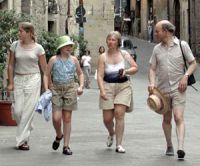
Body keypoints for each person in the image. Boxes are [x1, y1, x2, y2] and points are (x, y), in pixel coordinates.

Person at [148, 20, 197, 159]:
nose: (155, 34)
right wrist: (152, 83)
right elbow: (152, 68)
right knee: (167, 118)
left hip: (178, 88)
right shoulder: (156, 49)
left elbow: (193, 63)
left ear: (166, 31)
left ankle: (180, 147)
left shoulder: (182, 45)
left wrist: (186, 76)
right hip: (162, 90)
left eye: (157, 31)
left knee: (178, 117)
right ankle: (169, 144)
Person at [7, 22, 48, 150]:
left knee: (28, 110)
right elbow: (11, 65)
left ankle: (22, 141)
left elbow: (44, 69)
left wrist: (47, 87)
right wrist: (10, 83)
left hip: (33, 79)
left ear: (29, 32)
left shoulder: (38, 48)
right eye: (18, 31)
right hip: (18, 78)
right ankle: (27, 126)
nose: (19, 33)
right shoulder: (15, 45)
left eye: (21, 31)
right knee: (18, 111)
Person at [97, 31, 138, 153]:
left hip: (123, 87)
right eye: (109, 39)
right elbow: (99, 76)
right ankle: (111, 132)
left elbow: (135, 67)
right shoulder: (102, 57)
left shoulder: (124, 54)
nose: (110, 42)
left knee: (119, 114)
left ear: (118, 42)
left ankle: (119, 144)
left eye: (113, 40)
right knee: (107, 119)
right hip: (108, 87)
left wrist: (126, 71)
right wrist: (102, 91)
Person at [47, 35, 84, 155]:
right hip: (56, 89)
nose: (69, 47)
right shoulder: (53, 59)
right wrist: (49, 87)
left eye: (70, 46)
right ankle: (59, 135)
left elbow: (80, 73)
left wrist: (81, 86)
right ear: (60, 47)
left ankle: (66, 146)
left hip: (70, 88)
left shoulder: (74, 60)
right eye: (66, 45)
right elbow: (46, 74)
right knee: (56, 118)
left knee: (67, 118)